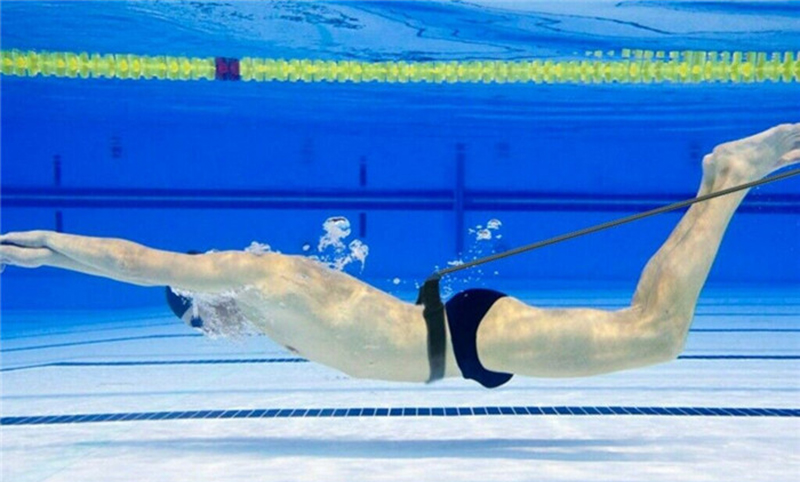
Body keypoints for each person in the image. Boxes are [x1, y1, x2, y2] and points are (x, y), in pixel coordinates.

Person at [2, 124, 798, 387]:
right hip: (459, 342)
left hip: (467, 338)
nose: (206, 334)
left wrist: (50, 251)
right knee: (651, 333)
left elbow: (137, 259)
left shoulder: (253, 276)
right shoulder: (270, 309)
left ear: (201, 298)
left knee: (654, 335)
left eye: (194, 322)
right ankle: (722, 183)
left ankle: (724, 178)